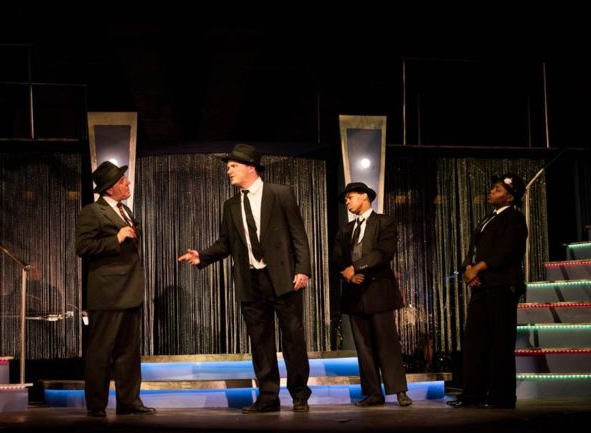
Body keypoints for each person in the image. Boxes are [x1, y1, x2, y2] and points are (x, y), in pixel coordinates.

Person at [178, 144, 312, 413]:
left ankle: (299, 393)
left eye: (233, 166)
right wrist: (202, 256)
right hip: (251, 280)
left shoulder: (280, 194)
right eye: (228, 167)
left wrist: (303, 269)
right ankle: (268, 396)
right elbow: (226, 243)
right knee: (260, 341)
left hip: (284, 277)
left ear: (250, 166)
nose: (228, 171)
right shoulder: (230, 205)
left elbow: (298, 234)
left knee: (293, 338)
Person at [75, 161, 156, 417]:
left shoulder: (124, 210)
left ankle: (129, 401)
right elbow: (83, 247)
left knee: (128, 352)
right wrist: (116, 238)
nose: (128, 183)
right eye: (122, 181)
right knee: (101, 351)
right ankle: (97, 405)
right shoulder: (93, 212)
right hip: (108, 293)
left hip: (129, 290)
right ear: (109, 189)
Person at [447, 173, 528, 409]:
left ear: (510, 197)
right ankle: (474, 394)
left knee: (500, 343)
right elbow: (474, 248)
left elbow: (506, 250)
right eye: (492, 188)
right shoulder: (487, 219)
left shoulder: (514, 219)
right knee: (475, 341)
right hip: (482, 287)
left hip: (502, 286)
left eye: (497, 189)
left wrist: (479, 268)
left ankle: (502, 397)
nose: (491, 192)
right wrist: (468, 269)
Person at [331, 182, 412, 407]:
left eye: (350, 197)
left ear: (365, 197)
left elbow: (383, 253)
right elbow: (336, 258)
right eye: (346, 199)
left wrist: (356, 268)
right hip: (354, 293)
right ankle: (373, 393)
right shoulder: (346, 229)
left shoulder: (385, 222)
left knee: (387, 344)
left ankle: (399, 391)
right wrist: (347, 275)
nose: (347, 202)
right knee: (364, 348)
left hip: (378, 291)